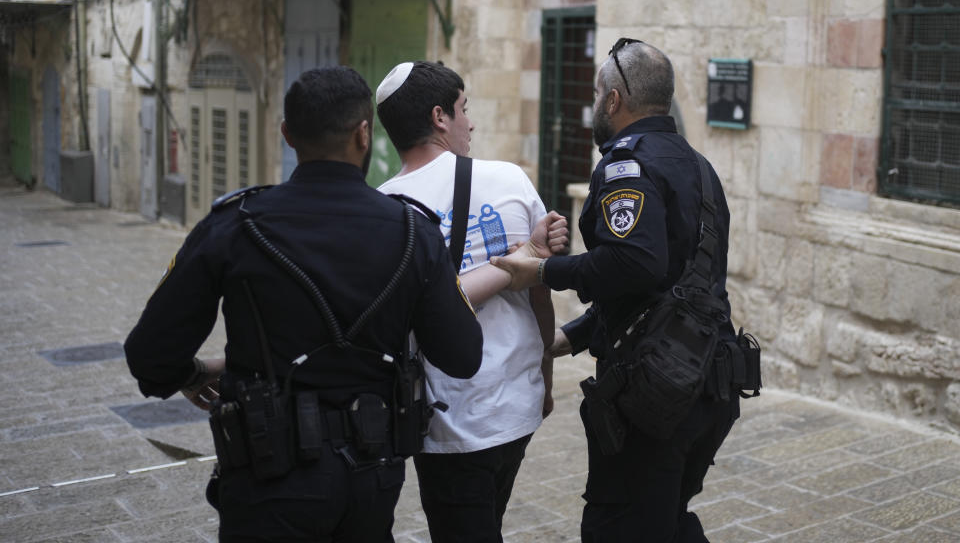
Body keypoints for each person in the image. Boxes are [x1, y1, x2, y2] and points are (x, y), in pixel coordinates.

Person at [124, 66, 484, 542]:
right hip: (369, 481)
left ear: (287, 134)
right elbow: (463, 356)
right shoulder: (414, 231)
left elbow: (150, 358)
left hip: (267, 478)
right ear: (363, 133)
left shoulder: (235, 225)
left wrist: (191, 375)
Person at [491, 40, 741, 542]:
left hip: (655, 392)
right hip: (709, 379)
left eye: (596, 92)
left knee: (618, 524)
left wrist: (540, 273)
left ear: (613, 100)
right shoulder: (700, 167)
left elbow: (635, 263)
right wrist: (576, 335)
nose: (592, 105)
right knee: (663, 516)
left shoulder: (626, 165)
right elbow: (673, 288)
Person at [375, 61, 566, 543]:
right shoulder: (509, 180)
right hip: (515, 405)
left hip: (445, 421)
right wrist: (543, 372)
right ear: (440, 117)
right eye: (464, 109)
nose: (471, 122)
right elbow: (540, 287)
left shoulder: (382, 208)